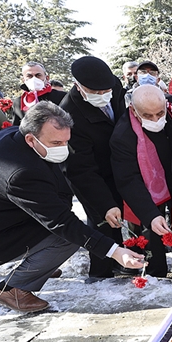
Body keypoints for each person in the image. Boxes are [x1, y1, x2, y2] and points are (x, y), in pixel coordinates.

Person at [0, 102, 145, 313]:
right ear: (31, 139)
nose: (63, 148)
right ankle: (12, 289)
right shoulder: (19, 172)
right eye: (56, 142)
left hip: (9, 220)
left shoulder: (19, 139)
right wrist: (115, 252)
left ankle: (39, 268)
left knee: (67, 233)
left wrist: (106, 205)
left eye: (66, 141)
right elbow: (61, 222)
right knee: (67, 238)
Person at [110, 85, 172, 277]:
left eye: (159, 113)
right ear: (133, 110)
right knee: (150, 228)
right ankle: (156, 272)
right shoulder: (122, 135)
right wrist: (150, 214)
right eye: (148, 116)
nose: (156, 120)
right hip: (145, 186)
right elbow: (128, 180)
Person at [59, 55, 128, 280]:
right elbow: (80, 169)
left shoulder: (113, 86)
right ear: (79, 86)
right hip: (91, 171)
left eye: (104, 91)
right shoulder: (68, 114)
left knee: (126, 214)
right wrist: (105, 204)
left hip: (120, 161)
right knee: (103, 219)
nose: (101, 95)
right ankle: (101, 273)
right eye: (94, 92)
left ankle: (127, 260)